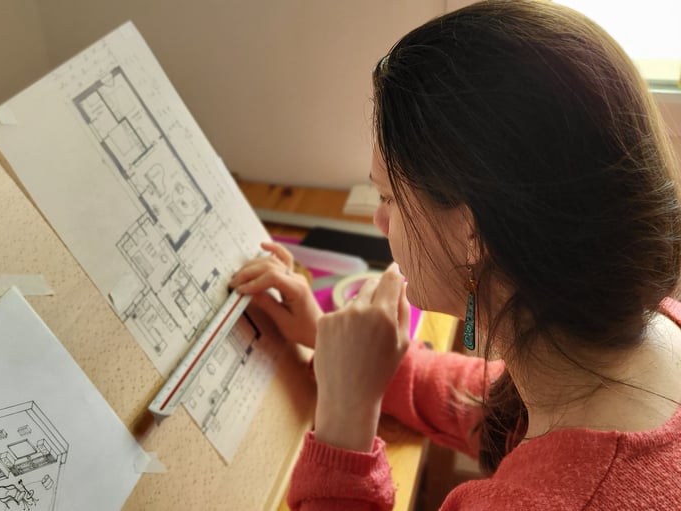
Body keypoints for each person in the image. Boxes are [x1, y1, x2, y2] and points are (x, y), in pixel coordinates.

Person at [229, 1, 681, 509]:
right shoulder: (651, 330)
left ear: (472, 233)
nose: (380, 221)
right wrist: (336, 348)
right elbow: (493, 407)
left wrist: (345, 414)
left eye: (388, 198)